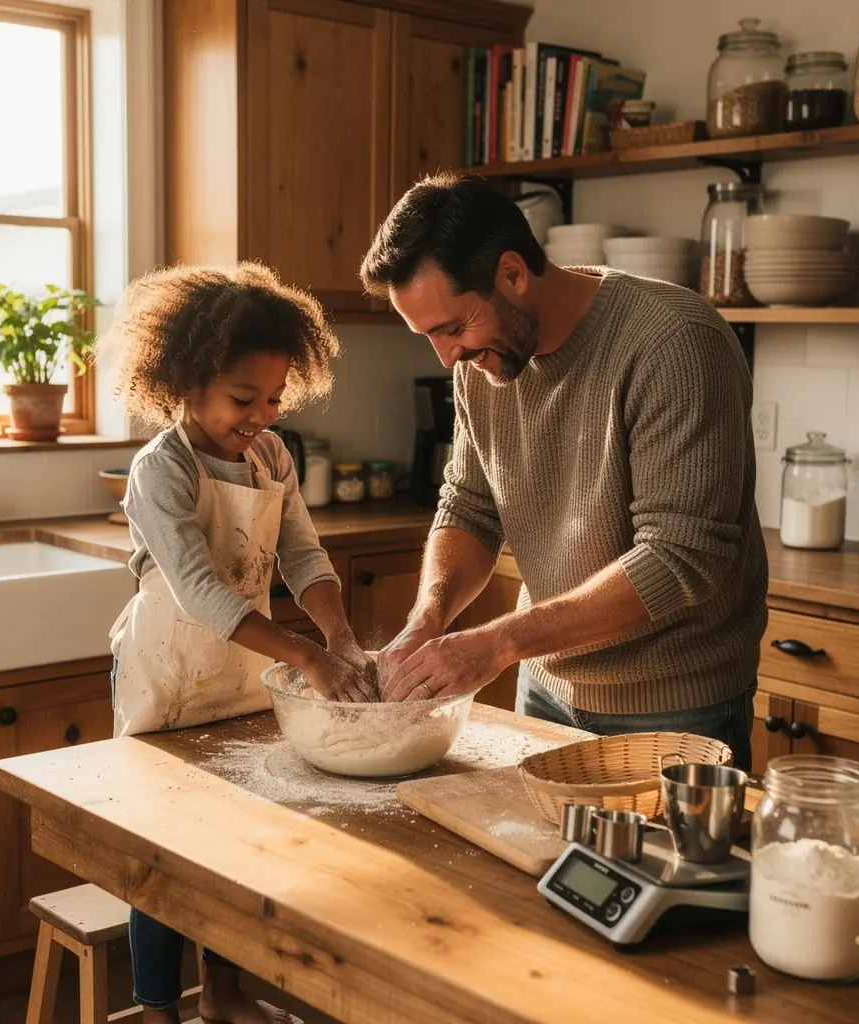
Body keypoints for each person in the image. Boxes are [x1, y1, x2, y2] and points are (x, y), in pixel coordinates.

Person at [360, 173, 767, 771]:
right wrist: (430, 617)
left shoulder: (673, 343)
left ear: (513, 274)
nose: (447, 356)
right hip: (545, 687)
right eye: (429, 336)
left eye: (452, 328)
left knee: (654, 868)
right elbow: (470, 505)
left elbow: (679, 558)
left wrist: (497, 642)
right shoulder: (479, 365)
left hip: (674, 704)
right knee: (539, 863)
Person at [102, 262, 374, 1024]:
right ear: (186, 383)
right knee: (158, 854)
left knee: (231, 842)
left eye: (274, 399)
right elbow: (201, 591)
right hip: (166, 675)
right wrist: (311, 658)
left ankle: (222, 992)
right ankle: (159, 1010)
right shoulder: (161, 471)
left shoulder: (272, 457)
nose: (259, 415)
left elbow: (304, 556)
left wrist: (341, 635)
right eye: (241, 399)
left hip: (242, 670)